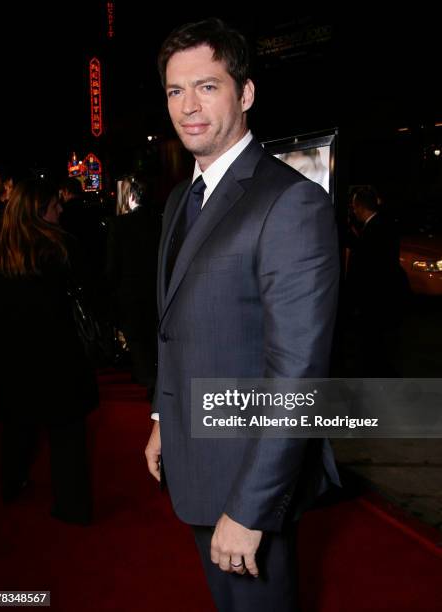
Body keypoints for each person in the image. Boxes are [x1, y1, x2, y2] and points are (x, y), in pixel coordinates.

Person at [144, 18, 340, 611]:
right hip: (197, 455)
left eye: (207, 86)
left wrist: (252, 507)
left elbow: (298, 374)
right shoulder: (183, 197)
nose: (188, 107)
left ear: (245, 93)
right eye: (176, 91)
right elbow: (179, 325)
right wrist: (162, 415)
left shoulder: (290, 201)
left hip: (251, 479)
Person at [0, 179, 99, 524]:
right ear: (38, 210)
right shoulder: (61, 248)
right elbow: (92, 290)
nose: (61, 210)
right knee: (67, 435)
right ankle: (72, 505)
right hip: (58, 357)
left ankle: (11, 483)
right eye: (55, 205)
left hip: (11, 357)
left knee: (18, 426)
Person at [106, 176, 161, 398]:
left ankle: (149, 381)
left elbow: (112, 266)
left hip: (130, 292)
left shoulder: (119, 225)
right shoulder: (159, 221)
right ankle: (155, 380)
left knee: (138, 339)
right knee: (153, 336)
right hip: (155, 289)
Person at [345, 185, 407, 375]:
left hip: (375, 301)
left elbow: (367, 267)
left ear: (360, 207)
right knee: (381, 349)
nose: (353, 211)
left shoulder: (373, 231)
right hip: (387, 298)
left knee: (375, 349)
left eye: (354, 207)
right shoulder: (383, 224)